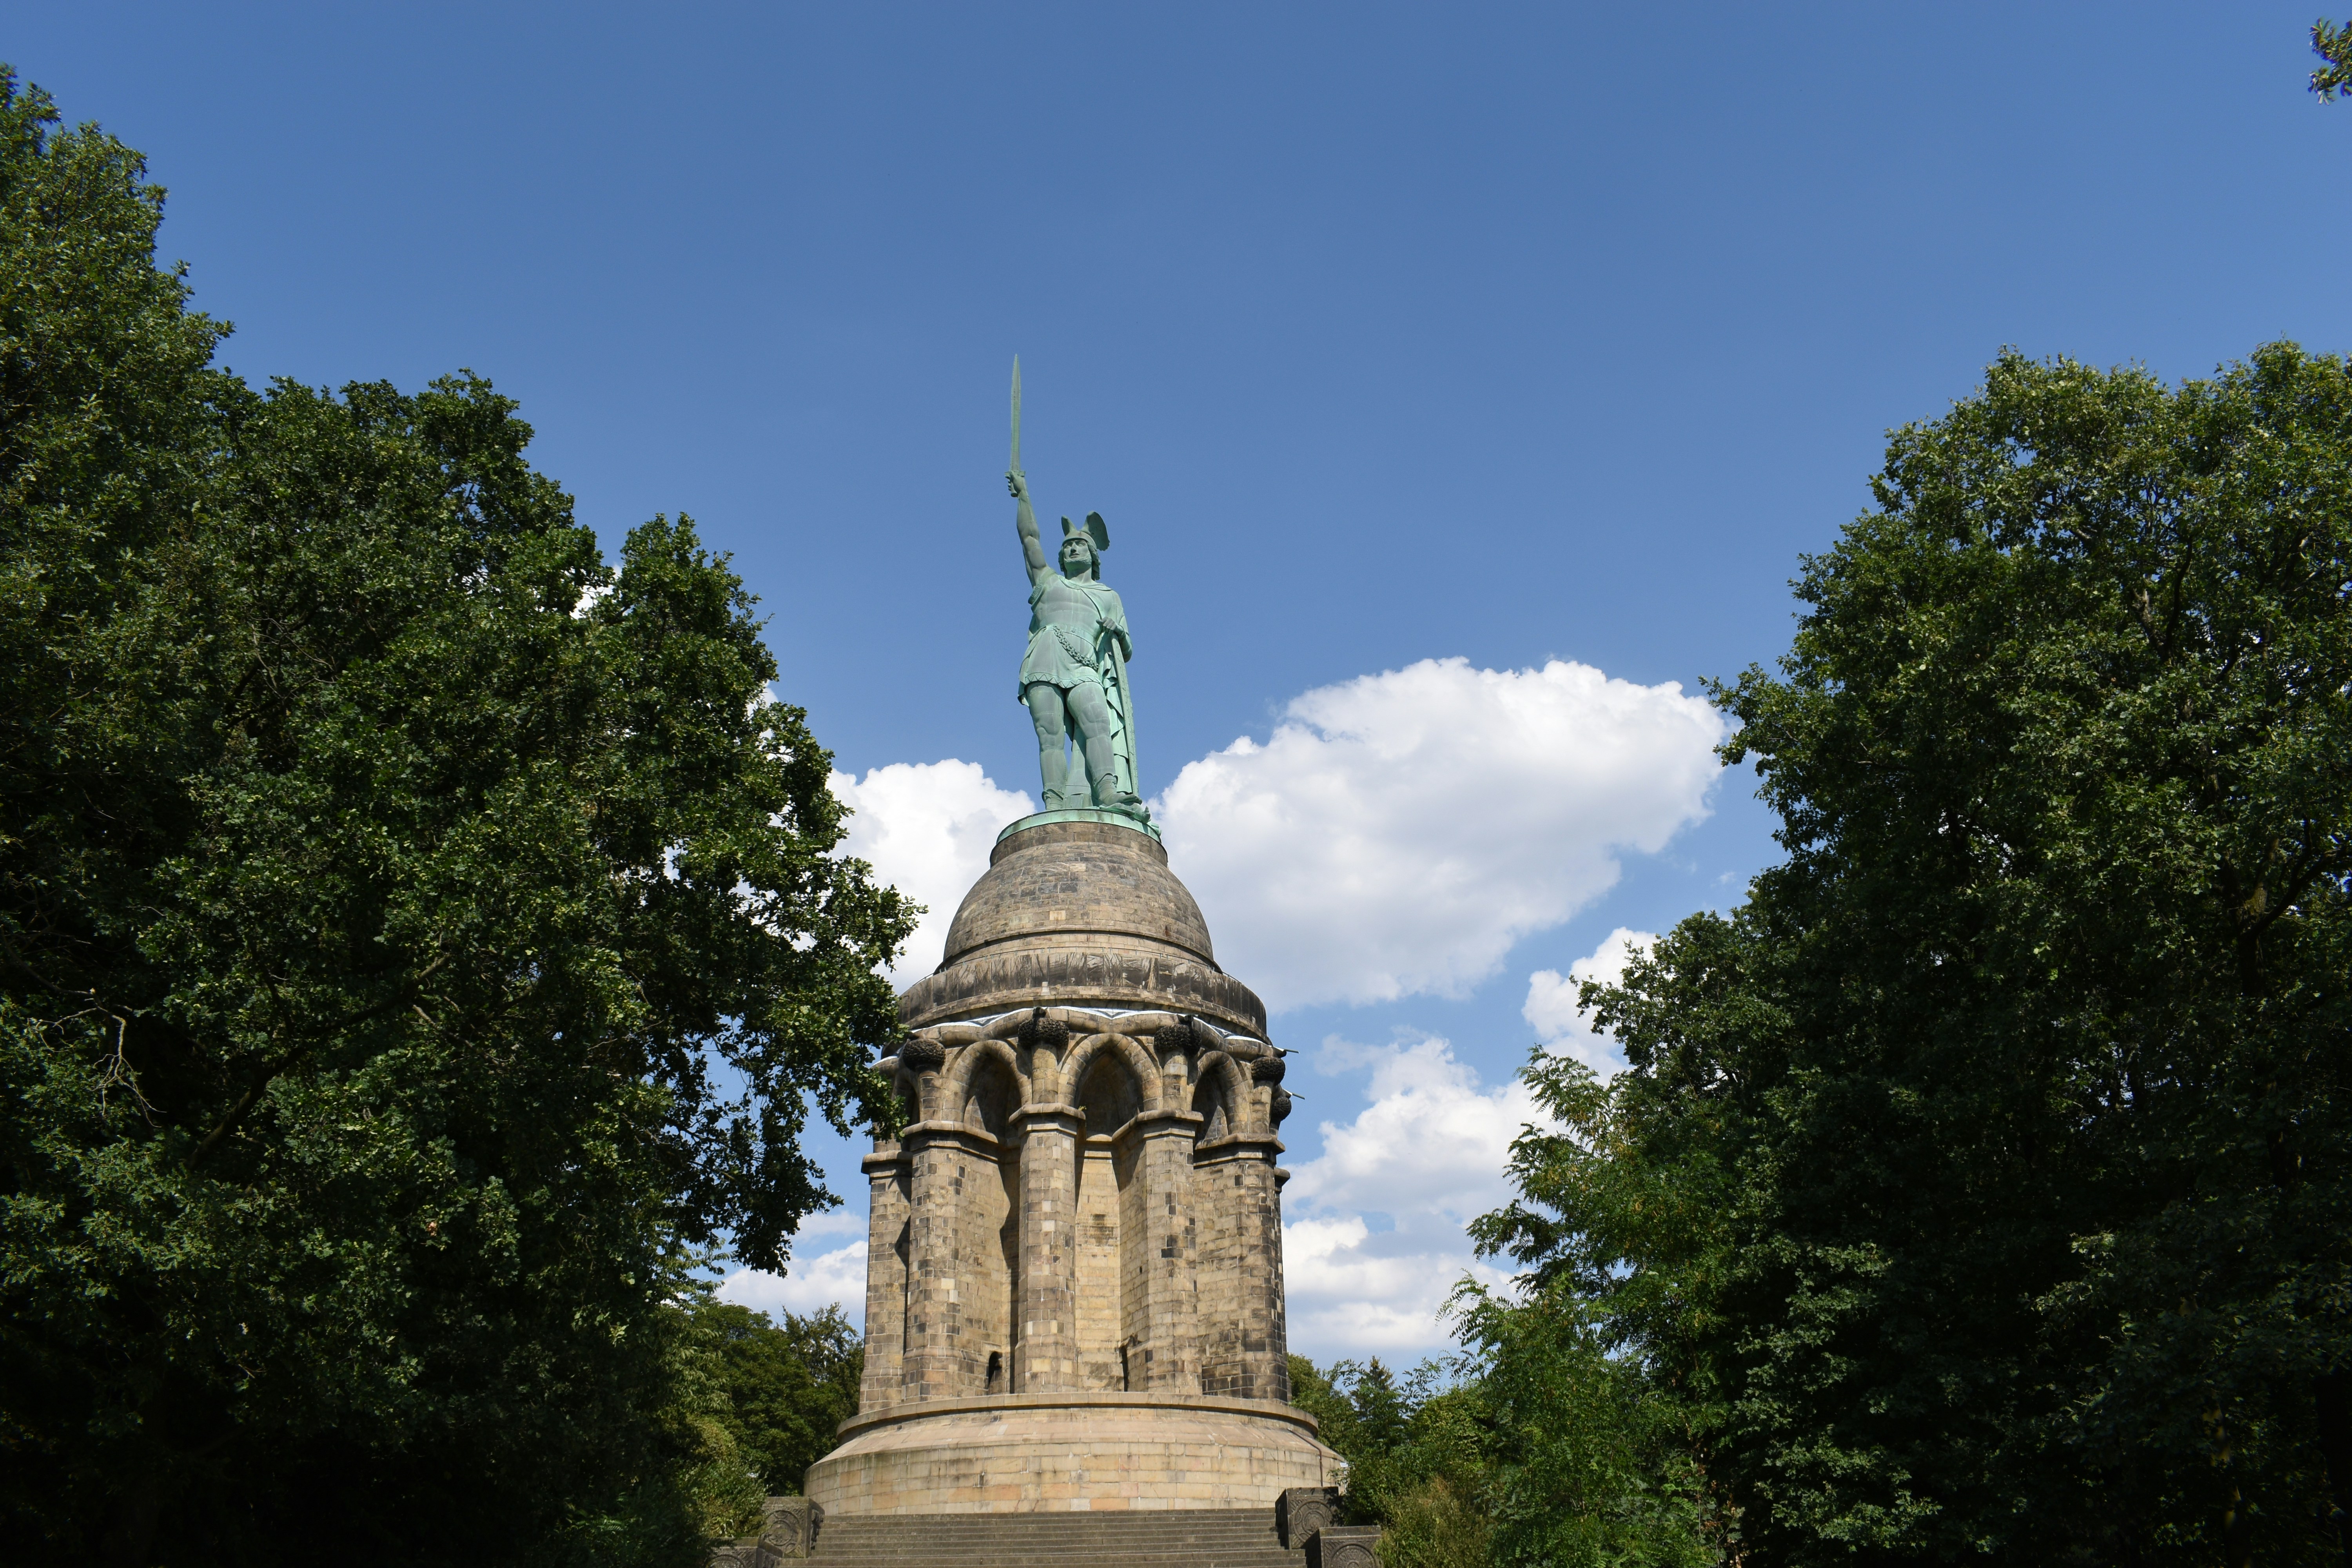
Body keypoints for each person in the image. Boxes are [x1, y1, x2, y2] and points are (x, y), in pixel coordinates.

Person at [1007, 468, 1142, 815]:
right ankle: (1054, 801)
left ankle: (1108, 793)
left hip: (1085, 667)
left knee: (1098, 723)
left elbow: (1126, 651)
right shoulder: (1048, 583)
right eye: (1066, 546)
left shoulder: (1109, 596)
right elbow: (1030, 539)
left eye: (1078, 544)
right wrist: (1024, 496)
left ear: (1093, 556)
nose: (1071, 549)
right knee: (1048, 735)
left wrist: (1117, 631)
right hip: (1045, 659)